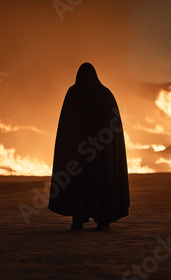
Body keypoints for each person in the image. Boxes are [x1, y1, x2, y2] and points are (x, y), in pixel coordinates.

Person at [48, 62, 130, 231]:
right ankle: (103, 221)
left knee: (78, 183)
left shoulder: (73, 93)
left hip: (78, 153)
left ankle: (78, 220)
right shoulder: (106, 94)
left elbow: (66, 127)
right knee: (102, 180)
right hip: (102, 153)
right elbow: (114, 130)